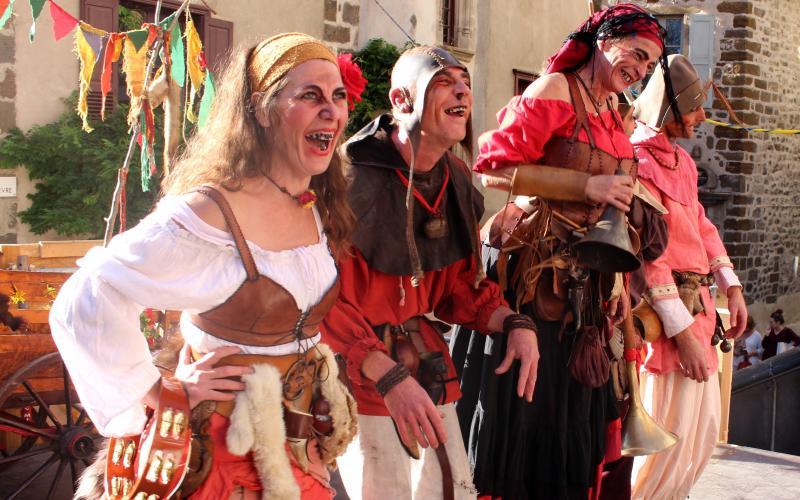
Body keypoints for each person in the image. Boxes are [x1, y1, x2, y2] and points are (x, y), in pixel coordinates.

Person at [51, 33, 359, 499]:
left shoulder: (312, 204)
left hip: (295, 446)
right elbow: (88, 293)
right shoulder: (212, 213)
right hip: (218, 451)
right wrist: (158, 392)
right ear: (261, 109)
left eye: (337, 96)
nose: (332, 111)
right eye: (309, 96)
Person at [452, 4, 668, 498]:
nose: (640, 69)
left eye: (650, 63)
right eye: (635, 54)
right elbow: (492, 169)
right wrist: (586, 185)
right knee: (528, 409)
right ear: (603, 42)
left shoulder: (616, 111)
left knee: (569, 412)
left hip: (587, 276)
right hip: (530, 273)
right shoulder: (554, 91)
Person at [320, 45, 539, 500]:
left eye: (464, 81)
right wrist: (384, 372)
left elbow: (458, 287)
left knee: (447, 491)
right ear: (402, 101)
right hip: (358, 373)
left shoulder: (455, 178)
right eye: (443, 82)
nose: (461, 89)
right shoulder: (346, 178)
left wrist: (513, 322)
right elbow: (320, 298)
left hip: (428, 369)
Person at [629, 54, 748, 499]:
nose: (701, 116)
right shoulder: (636, 162)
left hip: (698, 315)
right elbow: (649, 258)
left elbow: (702, 227)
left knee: (701, 439)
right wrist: (683, 336)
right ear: (669, 107)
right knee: (663, 451)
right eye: (694, 106)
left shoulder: (683, 163)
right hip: (667, 327)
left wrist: (731, 288)